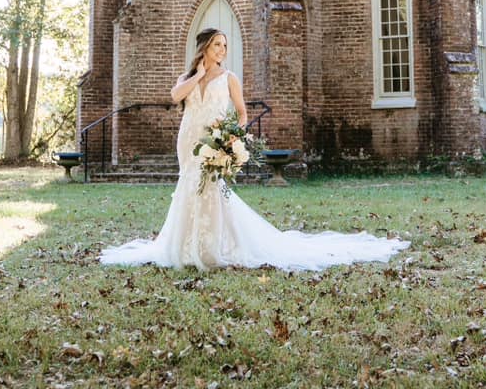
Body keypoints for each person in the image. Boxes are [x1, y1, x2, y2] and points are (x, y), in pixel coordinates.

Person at [100, 28, 410, 271]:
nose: (223, 50)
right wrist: (197, 74)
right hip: (188, 140)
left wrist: (234, 135)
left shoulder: (229, 78)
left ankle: (211, 248)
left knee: (210, 188)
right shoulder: (188, 78)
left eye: (224, 45)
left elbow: (243, 112)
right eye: (217, 45)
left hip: (214, 140)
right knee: (188, 187)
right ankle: (184, 246)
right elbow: (174, 96)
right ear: (205, 47)